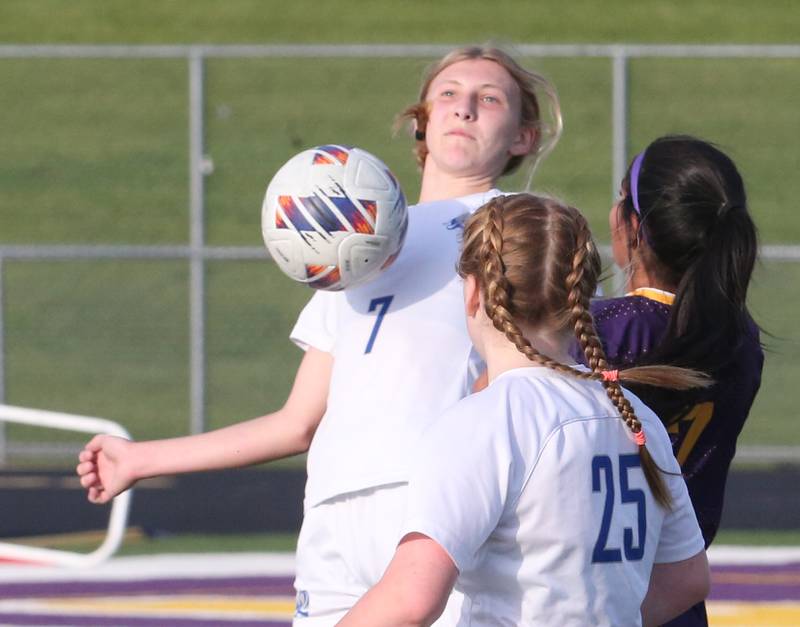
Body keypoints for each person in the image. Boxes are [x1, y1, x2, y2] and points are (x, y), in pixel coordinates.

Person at [76, 45, 562, 624]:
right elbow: (297, 422)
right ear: (421, 121)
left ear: (523, 138)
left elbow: (540, 377)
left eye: (489, 99)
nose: (464, 109)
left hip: (437, 506)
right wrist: (140, 459)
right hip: (333, 514)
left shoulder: (517, 228)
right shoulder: (355, 242)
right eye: (449, 94)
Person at [338, 193, 710, 627]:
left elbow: (411, 600)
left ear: (474, 292)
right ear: (580, 300)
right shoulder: (636, 416)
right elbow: (686, 576)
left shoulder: (486, 423)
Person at [571, 135, 763, 627]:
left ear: (634, 227)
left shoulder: (594, 331)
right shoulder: (741, 343)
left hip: (580, 594)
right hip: (676, 598)